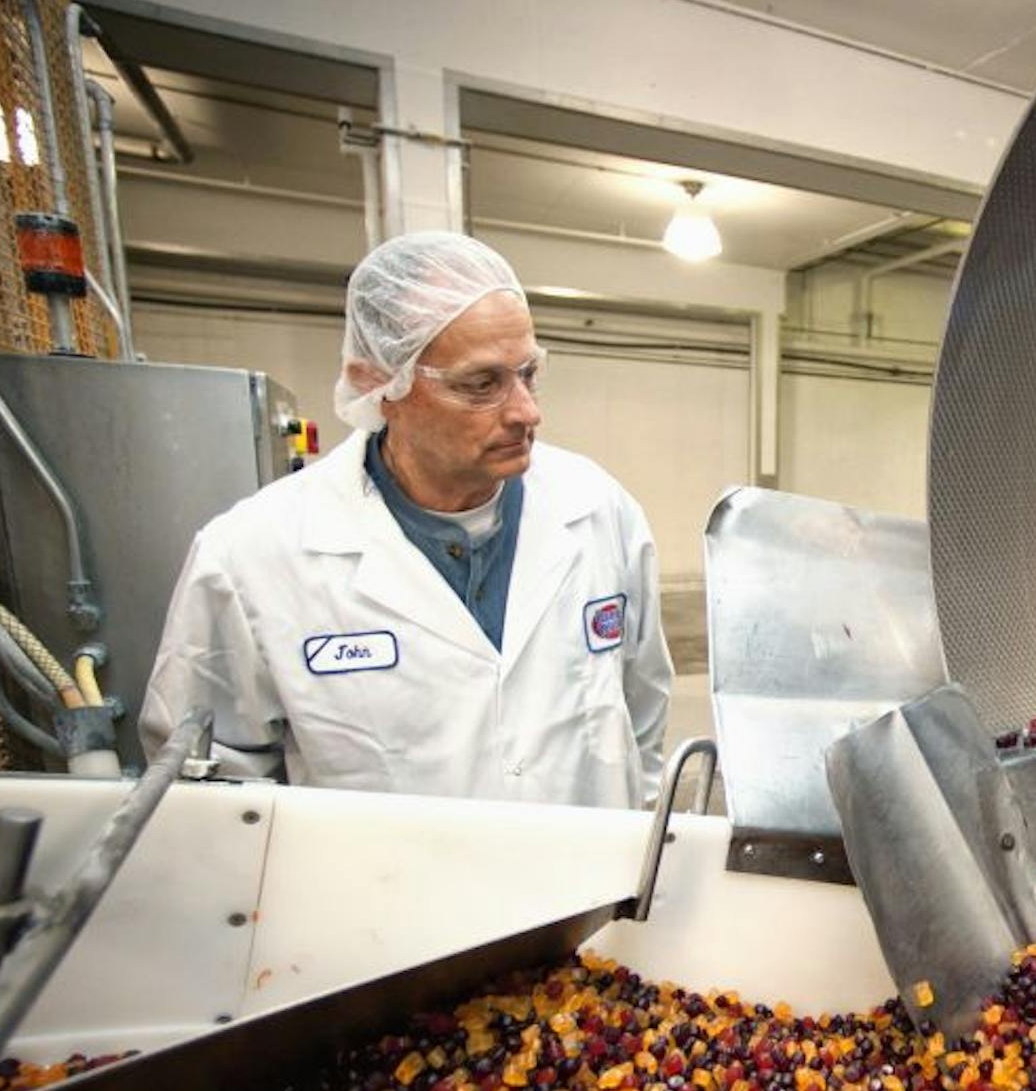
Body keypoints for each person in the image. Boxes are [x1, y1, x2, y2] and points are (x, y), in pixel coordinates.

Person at [141, 232, 672, 807]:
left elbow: (641, 709)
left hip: (590, 885)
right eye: (481, 384)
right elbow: (209, 782)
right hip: (385, 894)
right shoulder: (253, 556)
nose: (526, 411)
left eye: (528, 374)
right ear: (379, 383)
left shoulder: (597, 508)